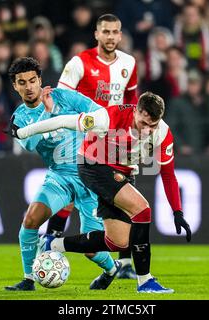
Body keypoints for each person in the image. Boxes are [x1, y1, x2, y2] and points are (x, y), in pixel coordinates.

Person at [8, 91, 192, 294]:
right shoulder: (108, 117)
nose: (148, 131)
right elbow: (62, 121)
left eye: (153, 126)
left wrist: (177, 212)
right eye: (143, 124)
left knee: (117, 242)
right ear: (136, 112)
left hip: (123, 173)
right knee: (142, 210)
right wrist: (23, 132)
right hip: (92, 164)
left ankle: (54, 244)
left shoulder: (163, 133)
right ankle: (145, 281)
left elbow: (168, 175)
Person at [4, 57, 119, 292]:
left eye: (32, 81)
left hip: (90, 175)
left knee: (91, 249)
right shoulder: (19, 119)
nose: (29, 87)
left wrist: (89, 128)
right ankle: (28, 280)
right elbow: (30, 143)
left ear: (40, 81)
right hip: (60, 176)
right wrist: (47, 114)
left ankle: (112, 269)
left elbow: (98, 112)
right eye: (22, 82)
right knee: (31, 220)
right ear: (15, 86)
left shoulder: (63, 96)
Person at [49, 13, 139, 279]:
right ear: (96, 34)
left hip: (115, 141)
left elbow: (131, 101)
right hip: (82, 138)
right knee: (71, 191)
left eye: (115, 32)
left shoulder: (129, 63)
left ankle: (124, 265)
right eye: (106, 32)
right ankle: (51, 244)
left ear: (120, 35)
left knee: (123, 197)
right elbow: (60, 97)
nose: (111, 37)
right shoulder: (79, 63)